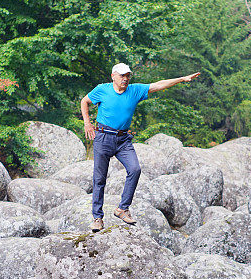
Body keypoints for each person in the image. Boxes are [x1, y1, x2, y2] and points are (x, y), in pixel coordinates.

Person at [81, 62, 200, 232]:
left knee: (135, 169)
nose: (125, 79)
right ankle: (97, 218)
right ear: (113, 76)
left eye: (128, 75)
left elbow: (158, 85)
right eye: (122, 75)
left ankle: (122, 208)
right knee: (99, 179)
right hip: (103, 137)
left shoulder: (135, 90)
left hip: (123, 140)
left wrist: (181, 79)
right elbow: (84, 101)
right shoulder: (102, 89)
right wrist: (87, 123)